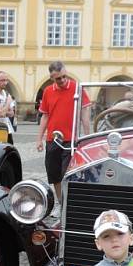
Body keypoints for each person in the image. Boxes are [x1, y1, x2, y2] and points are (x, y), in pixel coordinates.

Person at [36, 61, 92, 210]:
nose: (61, 80)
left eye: (63, 77)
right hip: (53, 139)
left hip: (71, 140)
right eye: (57, 78)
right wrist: (39, 139)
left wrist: (87, 137)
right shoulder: (48, 91)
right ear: (51, 77)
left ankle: (69, 204)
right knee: (54, 175)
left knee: (68, 174)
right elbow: (45, 116)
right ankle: (62, 203)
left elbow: (84, 113)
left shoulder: (77, 88)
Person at [0, 71, 16, 140]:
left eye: (6, 80)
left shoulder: (6, 94)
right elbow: (1, 114)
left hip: (8, 128)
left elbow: (12, 113)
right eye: (2, 80)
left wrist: (3, 110)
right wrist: (8, 102)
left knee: (10, 149)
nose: (5, 83)